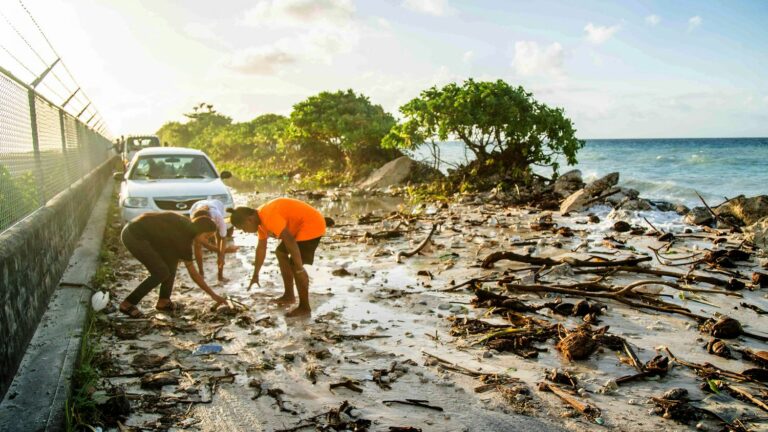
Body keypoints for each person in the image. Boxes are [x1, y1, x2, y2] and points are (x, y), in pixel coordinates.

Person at [228, 198, 326, 317]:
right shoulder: (260, 222)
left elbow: (289, 239)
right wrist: (255, 274)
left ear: (249, 219)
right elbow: (261, 249)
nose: (245, 231)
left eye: (243, 228)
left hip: (312, 224)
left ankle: (305, 307)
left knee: (295, 265)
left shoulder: (268, 216)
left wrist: (299, 268)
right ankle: (289, 295)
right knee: (280, 253)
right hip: (297, 228)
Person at [118, 211, 227, 318]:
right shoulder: (183, 240)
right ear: (199, 230)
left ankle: (163, 301)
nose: (207, 241)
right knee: (161, 272)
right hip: (134, 235)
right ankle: (127, 304)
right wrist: (213, 295)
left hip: (144, 233)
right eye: (207, 236)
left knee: (172, 260)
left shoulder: (187, 226)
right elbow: (194, 274)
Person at [188, 199, 237, 281]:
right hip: (196, 207)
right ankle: (201, 273)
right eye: (207, 236)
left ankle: (220, 276)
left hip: (217, 206)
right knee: (197, 243)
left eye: (209, 235)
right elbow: (198, 243)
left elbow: (223, 238)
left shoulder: (218, 218)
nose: (207, 238)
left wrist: (221, 256)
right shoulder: (194, 217)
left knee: (219, 238)